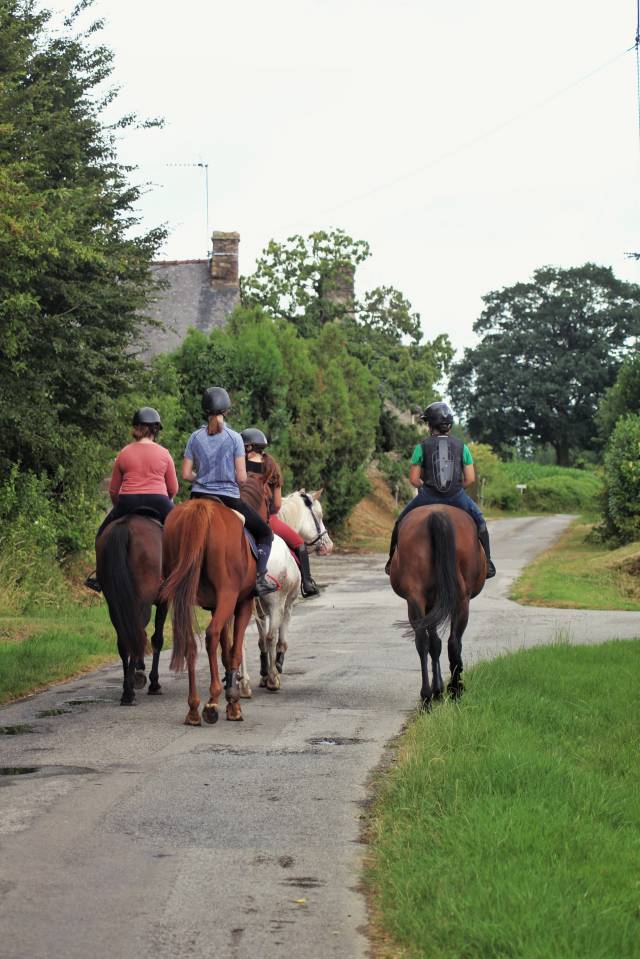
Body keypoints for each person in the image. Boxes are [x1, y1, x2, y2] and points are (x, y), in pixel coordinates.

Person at [182, 387, 277, 597]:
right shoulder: (234, 438)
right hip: (228, 498)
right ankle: (260, 577)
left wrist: (203, 478)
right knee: (265, 533)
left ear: (204, 411)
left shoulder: (194, 437)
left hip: (197, 496)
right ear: (226, 410)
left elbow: (186, 474)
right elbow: (242, 478)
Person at [385, 401, 496, 578]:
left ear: (430, 425)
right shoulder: (463, 447)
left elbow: (414, 480)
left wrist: (427, 487)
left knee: (400, 523)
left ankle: (392, 562)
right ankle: (488, 563)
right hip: (457, 496)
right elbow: (471, 478)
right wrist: (456, 489)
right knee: (480, 522)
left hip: (428, 496)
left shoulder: (421, 447)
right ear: (448, 425)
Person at [85, 407, 178, 592]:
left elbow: (113, 489)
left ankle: (99, 578)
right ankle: (179, 576)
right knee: (182, 532)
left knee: (101, 534)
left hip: (128, 500)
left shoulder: (124, 453)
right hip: (158, 501)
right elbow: (173, 488)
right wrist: (167, 502)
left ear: (135, 428)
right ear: (155, 430)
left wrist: (119, 508)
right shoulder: (164, 453)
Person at [240, 427, 320, 598]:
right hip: (265, 517)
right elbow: (276, 504)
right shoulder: (271, 465)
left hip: (237, 512)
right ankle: (307, 583)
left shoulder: (237, 462)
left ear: (246, 447)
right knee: (299, 544)